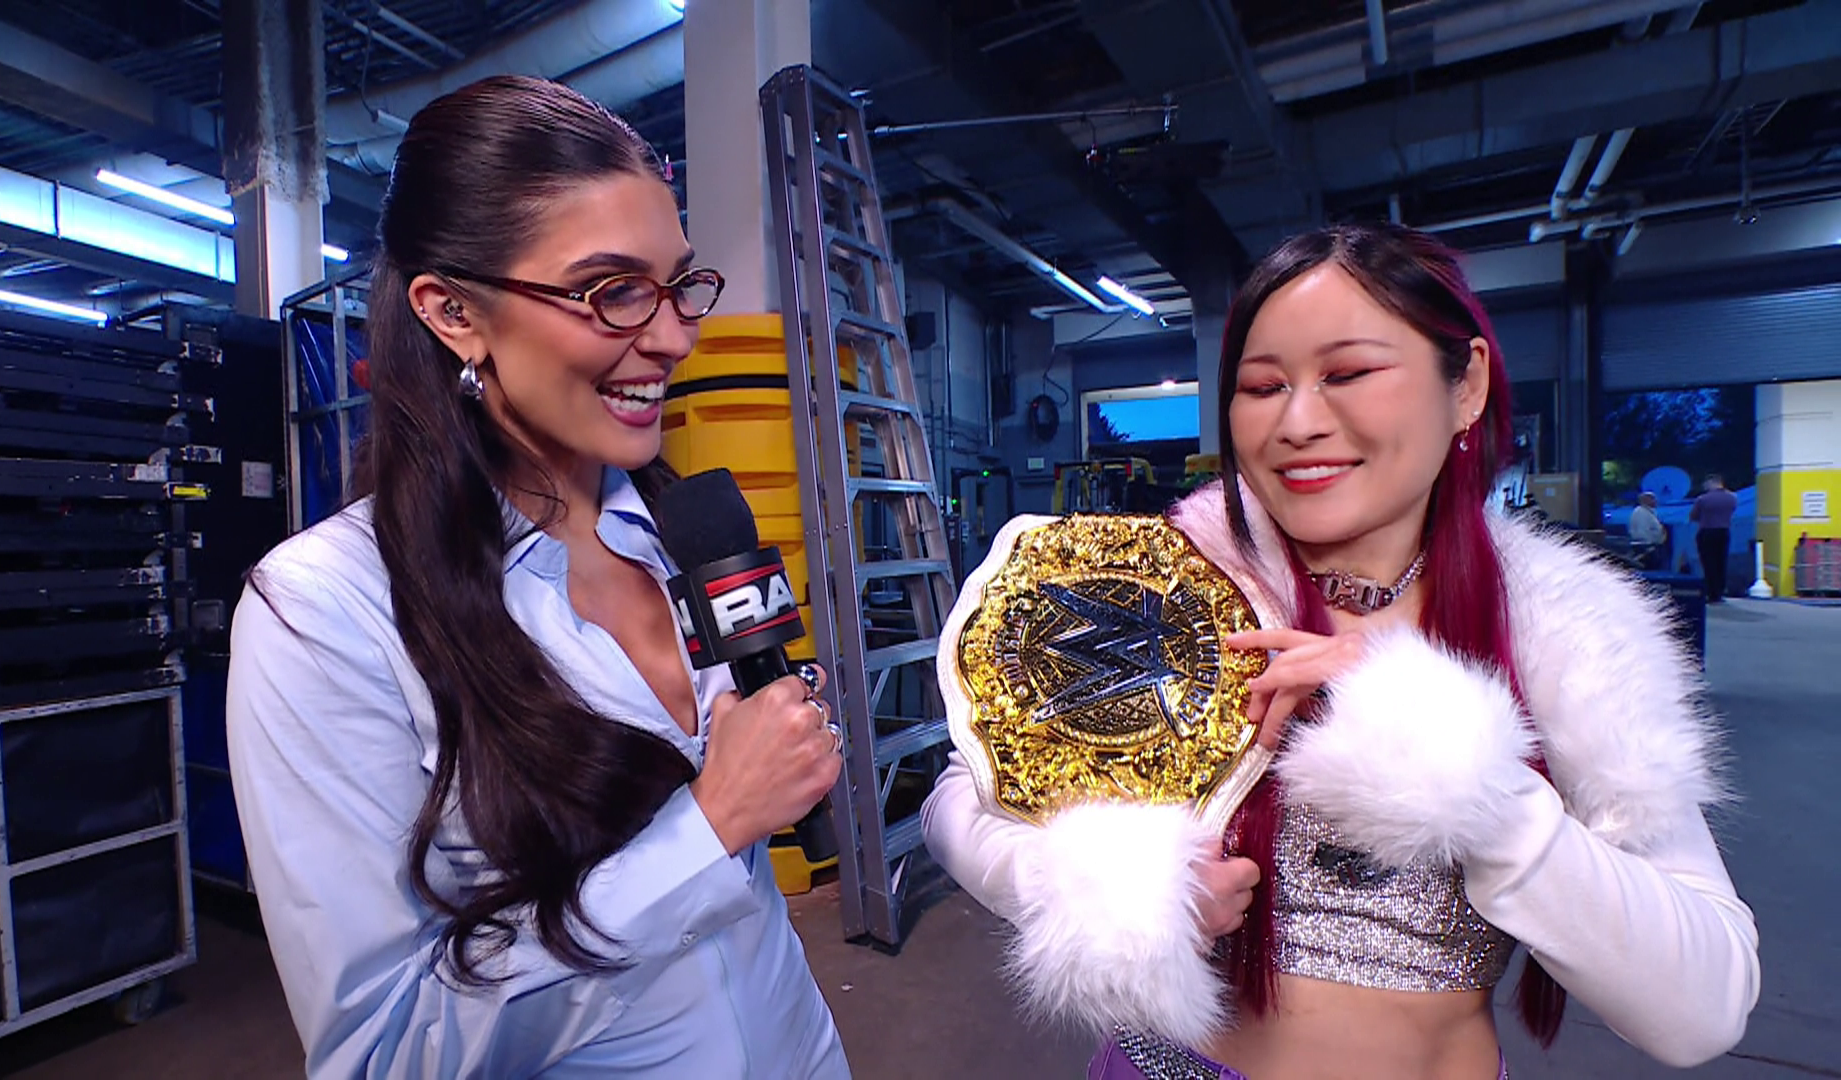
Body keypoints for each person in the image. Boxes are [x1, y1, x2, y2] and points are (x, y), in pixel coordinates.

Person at [922, 223, 1758, 1080]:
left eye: (1349, 373)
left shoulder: (1564, 634)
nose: (1298, 422)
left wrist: (1459, 771)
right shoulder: (1156, 585)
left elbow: (1703, 1008)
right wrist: (1114, 890)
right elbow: (961, 799)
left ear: (1466, 385)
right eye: (1262, 386)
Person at [225, 76, 850, 1079]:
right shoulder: (324, 612)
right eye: (610, 291)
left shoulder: (683, 530)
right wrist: (711, 824)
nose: (673, 337)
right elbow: (388, 1050)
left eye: (678, 284)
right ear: (453, 312)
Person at [1691, 474, 1739, 601]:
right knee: (1721, 561)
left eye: (1706, 484)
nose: (1704, 486)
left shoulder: (1702, 499)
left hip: (1707, 531)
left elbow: (1693, 516)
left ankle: (1711, 592)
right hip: (1724, 531)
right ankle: (1720, 591)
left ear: (1711, 482)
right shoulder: (1732, 498)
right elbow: (1732, 511)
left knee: (1708, 562)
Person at [1629, 491, 1667, 569]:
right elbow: (1642, 532)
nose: (1655, 501)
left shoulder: (1649, 513)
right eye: (1653, 499)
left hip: (1651, 547)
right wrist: (1652, 543)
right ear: (1645, 500)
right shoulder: (1640, 513)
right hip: (1646, 548)